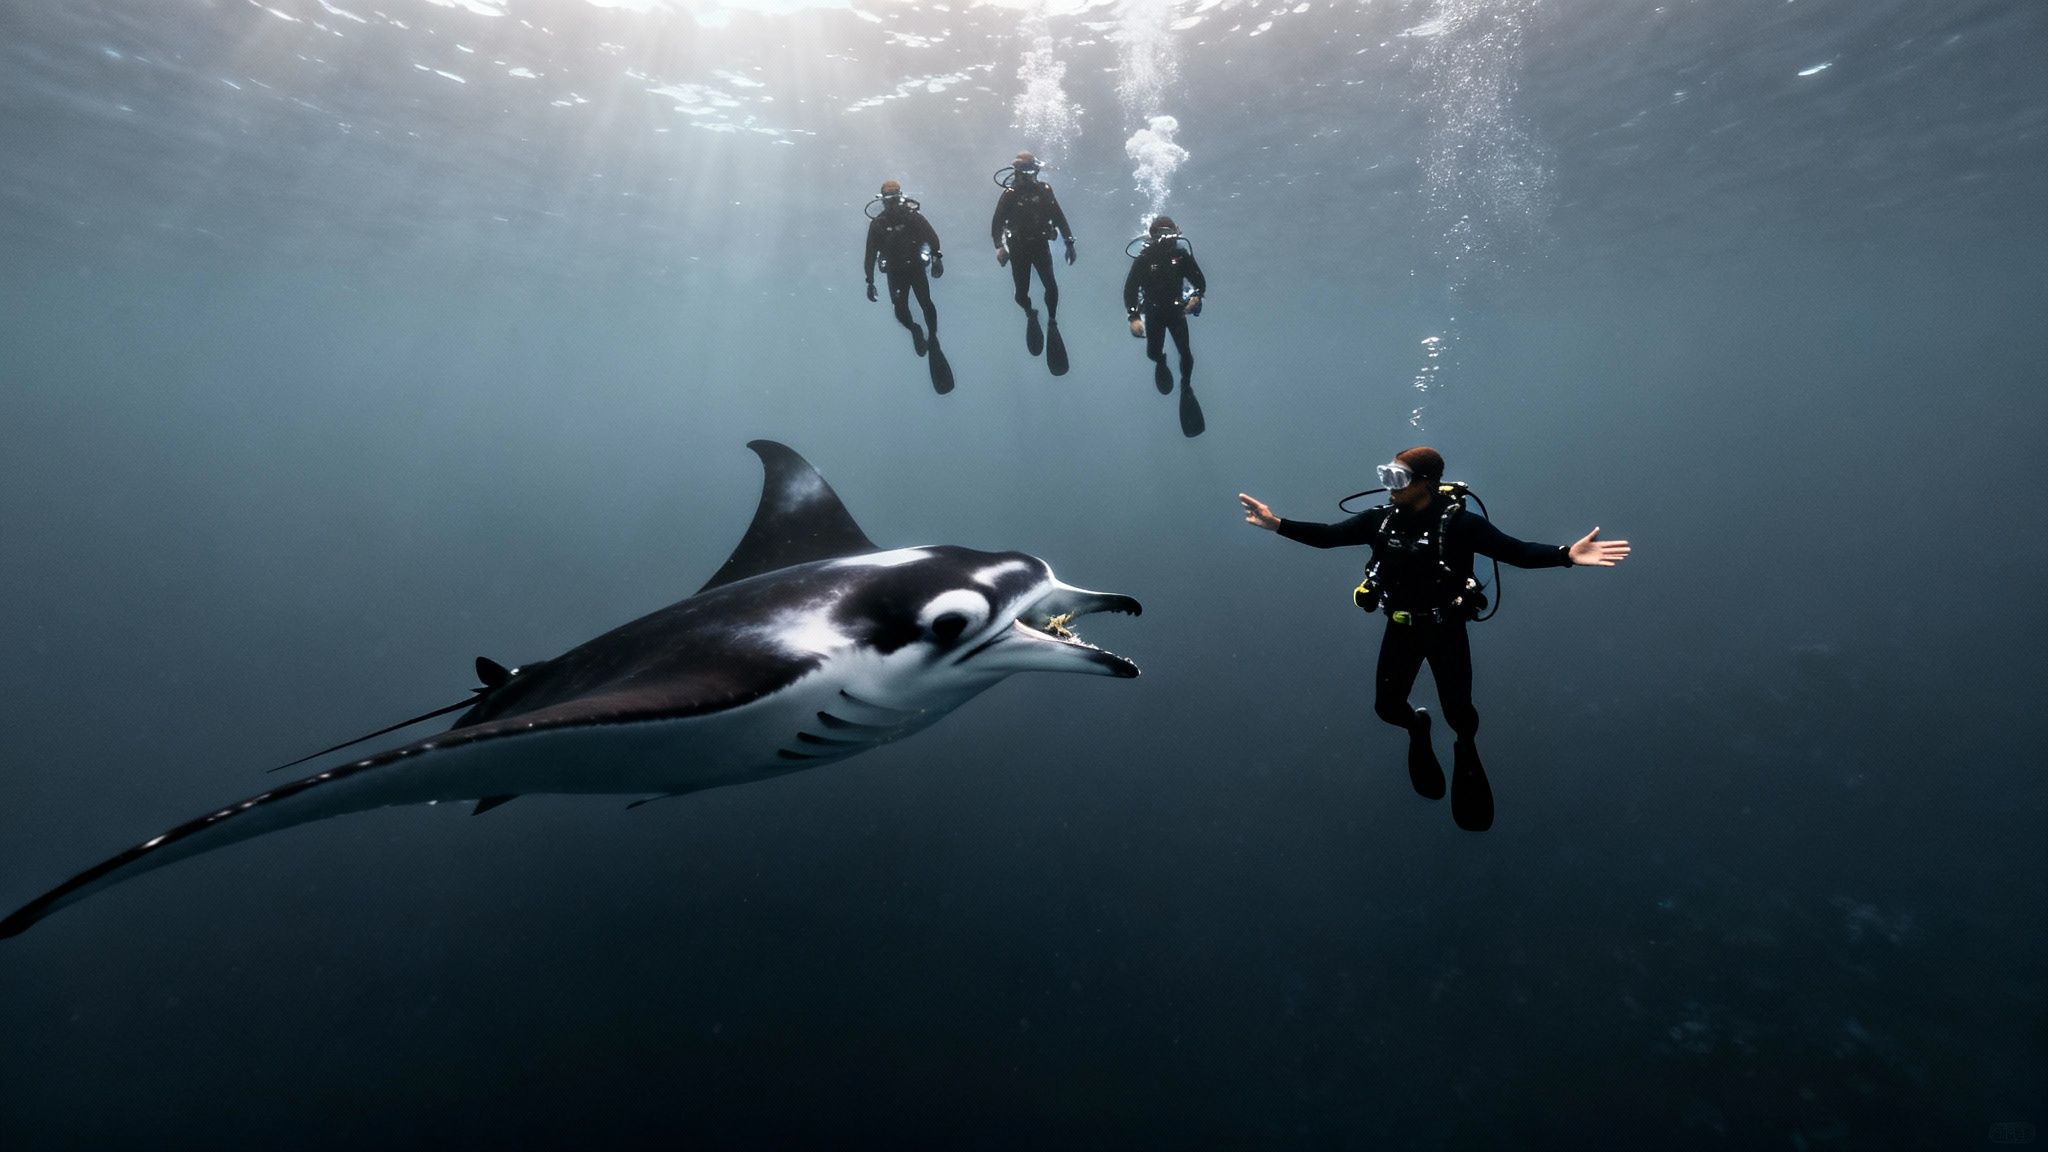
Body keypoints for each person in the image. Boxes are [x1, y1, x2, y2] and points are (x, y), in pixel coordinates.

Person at [1237, 447, 1631, 832]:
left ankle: (1465, 746)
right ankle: (1417, 727)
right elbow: (1328, 536)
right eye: (1385, 475)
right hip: (1402, 627)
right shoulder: (1380, 521)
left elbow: (1517, 552)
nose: (1389, 486)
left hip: (1445, 629)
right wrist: (1278, 524)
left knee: (1460, 715)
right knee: (1388, 709)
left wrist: (1567, 554)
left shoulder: (1460, 524)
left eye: (1398, 478)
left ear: (1426, 483)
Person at [989, 151, 1075, 358]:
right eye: (1025, 171)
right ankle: (1030, 313)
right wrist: (999, 247)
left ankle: (1052, 321)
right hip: (1018, 248)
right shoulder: (1010, 194)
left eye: (1033, 170)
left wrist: (1069, 242)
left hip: (1040, 245)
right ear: (1017, 171)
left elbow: (1059, 217)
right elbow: (997, 223)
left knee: (1051, 285)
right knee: (1020, 294)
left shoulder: (1045, 190)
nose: (1030, 175)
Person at [1122, 214, 1206, 396]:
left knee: (1186, 353)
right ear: (1153, 236)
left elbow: (1200, 282)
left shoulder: (1181, 256)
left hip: (1177, 311)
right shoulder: (1144, 259)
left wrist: (1196, 297)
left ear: (1176, 234)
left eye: (1170, 233)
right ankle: (1161, 360)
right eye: (1161, 234)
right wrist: (1134, 317)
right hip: (1154, 312)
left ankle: (1186, 385)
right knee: (1152, 353)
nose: (1166, 239)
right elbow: (1130, 289)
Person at [864, 179, 944, 358]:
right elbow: (870, 254)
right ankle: (916, 330)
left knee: (923, 304)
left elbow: (931, 237)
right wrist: (870, 281)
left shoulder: (911, 217)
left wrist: (937, 257)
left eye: (894, 198)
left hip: (912, 268)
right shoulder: (879, 224)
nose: (891, 203)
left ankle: (931, 336)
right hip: (898, 271)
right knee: (905, 309)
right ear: (883, 200)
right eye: (889, 199)